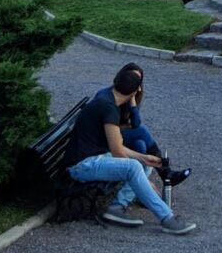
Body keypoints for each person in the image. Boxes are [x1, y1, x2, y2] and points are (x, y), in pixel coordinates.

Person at [66, 64, 197, 234]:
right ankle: (167, 218)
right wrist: (141, 165)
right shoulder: (108, 107)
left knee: (142, 161)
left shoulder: (109, 99)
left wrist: (144, 158)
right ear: (135, 92)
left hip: (95, 158)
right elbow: (117, 150)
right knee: (134, 166)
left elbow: (119, 146)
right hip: (81, 165)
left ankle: (117, 207)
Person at [109, 67, 190, 190]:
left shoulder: (132, 97)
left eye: (138, 80)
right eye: (133, 77)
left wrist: (132, 102)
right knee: (142, 130)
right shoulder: (113, 95)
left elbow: (135, 123)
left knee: (141, 145)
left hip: (122, 135)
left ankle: (139, 189)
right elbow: (131, 127)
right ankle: (165, 173)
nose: (135, 82)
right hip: (109, 136)